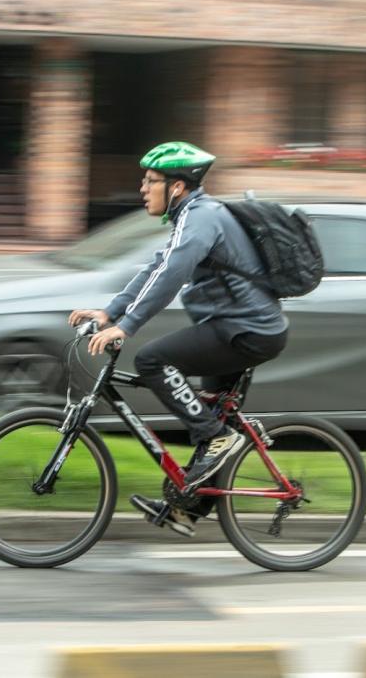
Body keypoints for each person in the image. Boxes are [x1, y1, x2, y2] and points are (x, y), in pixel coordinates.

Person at [68, 141, 289, 537]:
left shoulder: (201, 218)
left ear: (177, 187)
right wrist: (109, 312)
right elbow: (157, 266)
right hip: (238, 327)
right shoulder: (193, 216)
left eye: (150, 180)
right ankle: (188, 510)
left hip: (246, 331)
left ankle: (217, 438)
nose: (142, 188)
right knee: (211, 426)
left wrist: (127, 325)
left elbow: (171, 275)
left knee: (153, 361)